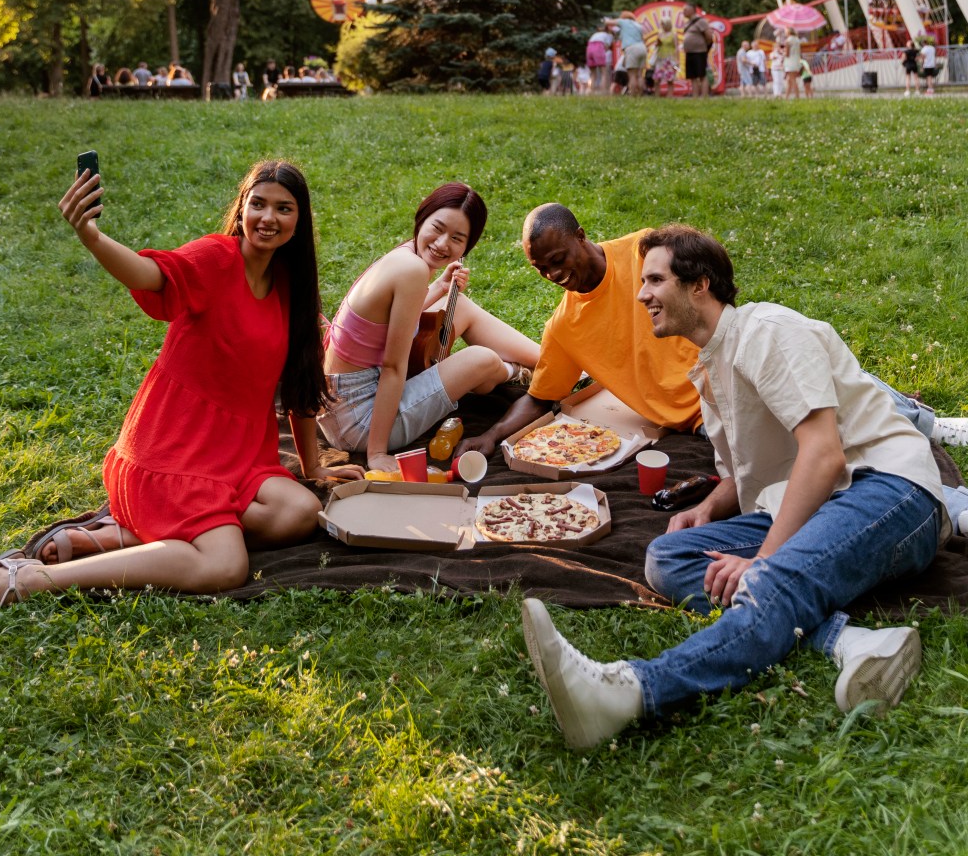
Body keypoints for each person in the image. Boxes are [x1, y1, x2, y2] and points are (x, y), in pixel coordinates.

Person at [522, 224, 950, 746]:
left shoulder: (767, 331)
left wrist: (763, 559)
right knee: (669, 558)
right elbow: (749, 470)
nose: (641, 294)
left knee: (768, 573)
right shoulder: (710, 370)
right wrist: (711, 505)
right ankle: (851, 641)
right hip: (819, 503)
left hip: (890, 492)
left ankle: (631, 691)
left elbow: (822, 453)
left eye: (655, 280)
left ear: (699, 284)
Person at [0, 160, 362, 623]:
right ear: (241, 207)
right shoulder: (216, 258)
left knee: (301, 512)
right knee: (226, 566)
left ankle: (118, 541)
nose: (268, 218)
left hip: (236, 458)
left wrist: (314, 468)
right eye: (257, 203)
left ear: (299, 220)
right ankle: (26, 580)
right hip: (171, 449)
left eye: (283, 208)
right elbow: (148, 275)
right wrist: (92, 237)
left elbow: (301, 387)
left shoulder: (292, 287)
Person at [456, 204, 968, 528]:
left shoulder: (645, 250)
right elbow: (544, 394)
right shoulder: (564, 329)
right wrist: (494, 434)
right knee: (813, 457)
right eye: (539, 267)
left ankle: (932, 426)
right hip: (705, 418)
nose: (552, 272)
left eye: (558, 256)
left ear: (581, 235)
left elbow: (710, 287)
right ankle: (946, 501)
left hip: (736, 369)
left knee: (826, 395)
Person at [318, 184, 540, 475]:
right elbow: (392, 367)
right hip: (357, 423)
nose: (442, 244)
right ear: (422, 218)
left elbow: (393, 317)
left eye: (457, 239)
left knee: (459, 305)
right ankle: (515, 371)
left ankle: (545, 359)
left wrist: (439, 288)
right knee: (481, 359)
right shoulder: (413, 270)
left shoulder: (405, 254)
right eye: (437, 228)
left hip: (335, 403)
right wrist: (377, 453)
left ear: (467, 247)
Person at [681, 4, 715, 99]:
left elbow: (709, 36)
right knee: (692, 75)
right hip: (689, 52)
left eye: (685, 10)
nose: (683, 12)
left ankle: (704, 96)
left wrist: (703, 46)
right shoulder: (687, 23)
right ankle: (695, 96)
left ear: (692, 10)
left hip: (699, 52)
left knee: (702, 74)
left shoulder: (701, 21)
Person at [613, 10, 647, 98]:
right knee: (639, 74)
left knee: (632, 75)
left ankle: (633, 95)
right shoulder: (638, 26)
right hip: (642, 48)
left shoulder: (625, 24)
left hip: (632, 49)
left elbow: (610, 22)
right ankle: (640, 94)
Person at [585, 25, 614, 95]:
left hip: (589, 48)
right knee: (603, 73)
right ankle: (603, 92)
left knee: (593, 74)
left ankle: (591, 91)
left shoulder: (595, 34)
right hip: (598, 47)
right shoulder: (608, 35)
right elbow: (606, 47)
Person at [784, 28, 802, 99]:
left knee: (792, 80)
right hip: (796, 61)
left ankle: (797, 97)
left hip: (790, 62)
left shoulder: (788, 41)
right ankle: (786, 97)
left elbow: (787, 54)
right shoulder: (797, 40)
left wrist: (782, 52)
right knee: (789, 80)